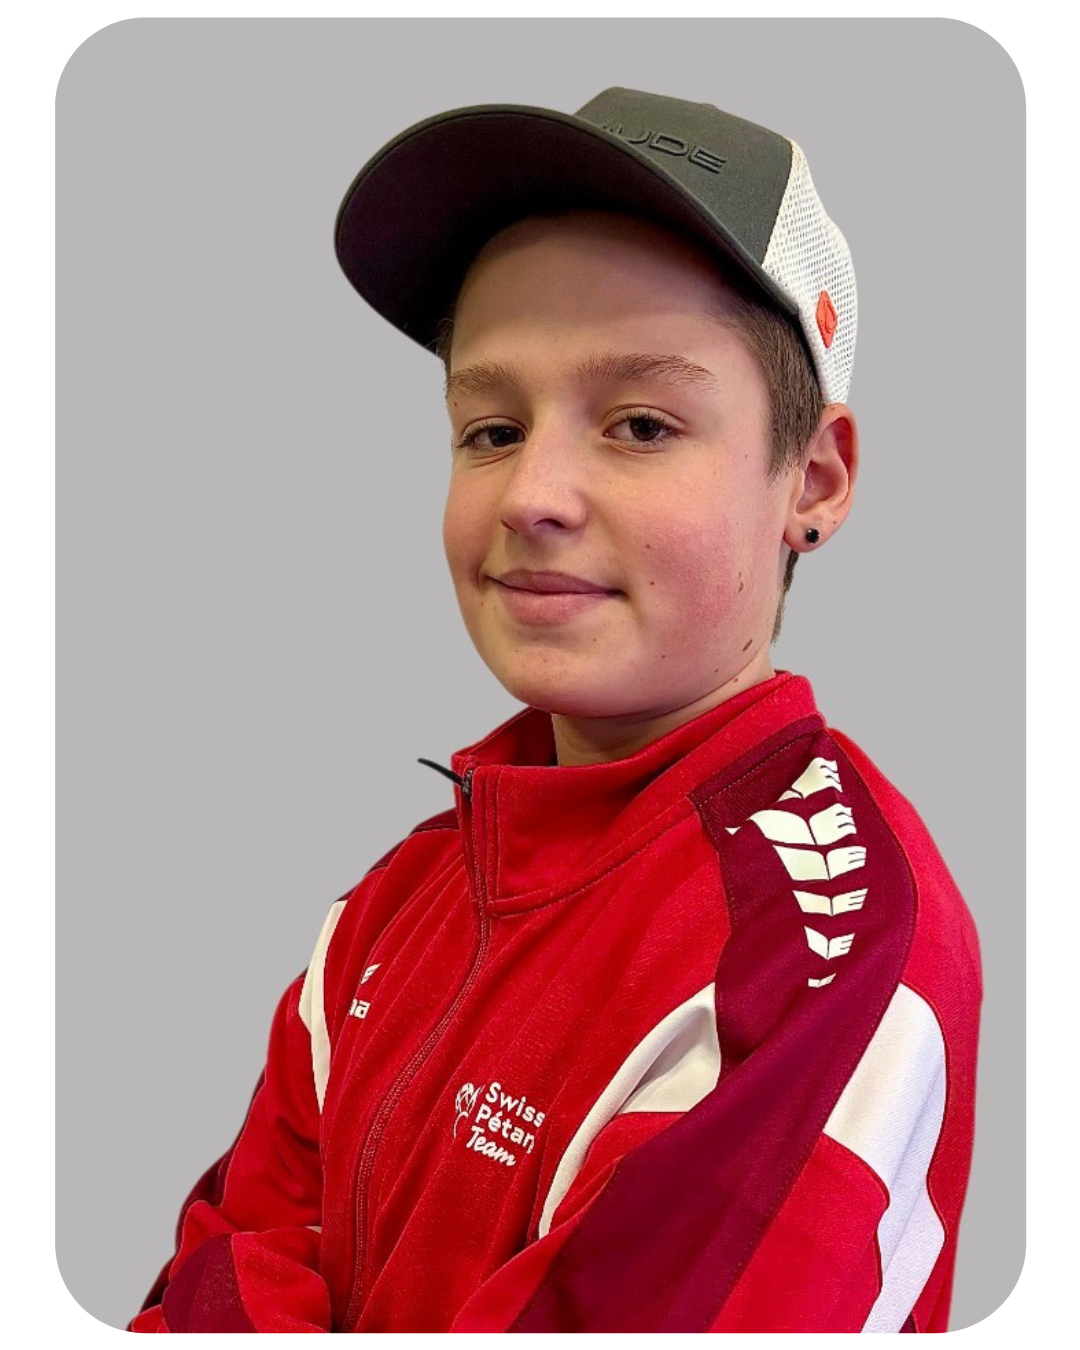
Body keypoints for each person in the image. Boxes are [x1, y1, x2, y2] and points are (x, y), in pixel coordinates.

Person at [129, 86, 982, 1334]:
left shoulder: (819, 952)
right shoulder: (392, 907)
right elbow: (227, 1265)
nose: (531, 492)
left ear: (813, 479)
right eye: (490, 428)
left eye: (640, 424)